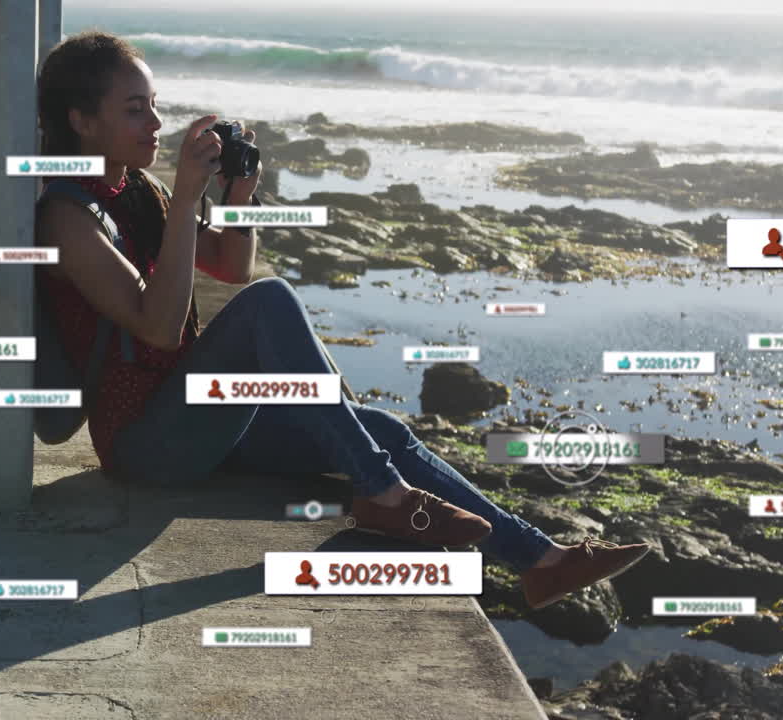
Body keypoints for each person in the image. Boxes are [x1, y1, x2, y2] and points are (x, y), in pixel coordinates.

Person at [35, 31, 648, 609]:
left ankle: (541, 562)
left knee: (377, 426)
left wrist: (238, 196)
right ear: (82, 121)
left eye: (156, 105)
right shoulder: (66, 218)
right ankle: (383, 495)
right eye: (136, 110)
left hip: (200, 414)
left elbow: (229, 266)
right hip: (146, 442)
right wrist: (189, 197)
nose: (157, 124)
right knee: (272, 304)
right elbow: (160, 328)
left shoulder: (140, 189)